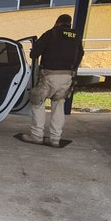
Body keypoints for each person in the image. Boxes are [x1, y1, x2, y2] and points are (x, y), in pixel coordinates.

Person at [22, 14, 84, 148]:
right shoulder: (76, 36)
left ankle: (37, 136)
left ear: (57, 22)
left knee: (37, 101)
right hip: (67, 76)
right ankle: (55, 139)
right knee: (58, 106)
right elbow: (81, 54)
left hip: (50, 75)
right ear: (69, 23)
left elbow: (34, 54)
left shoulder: (51, 33)